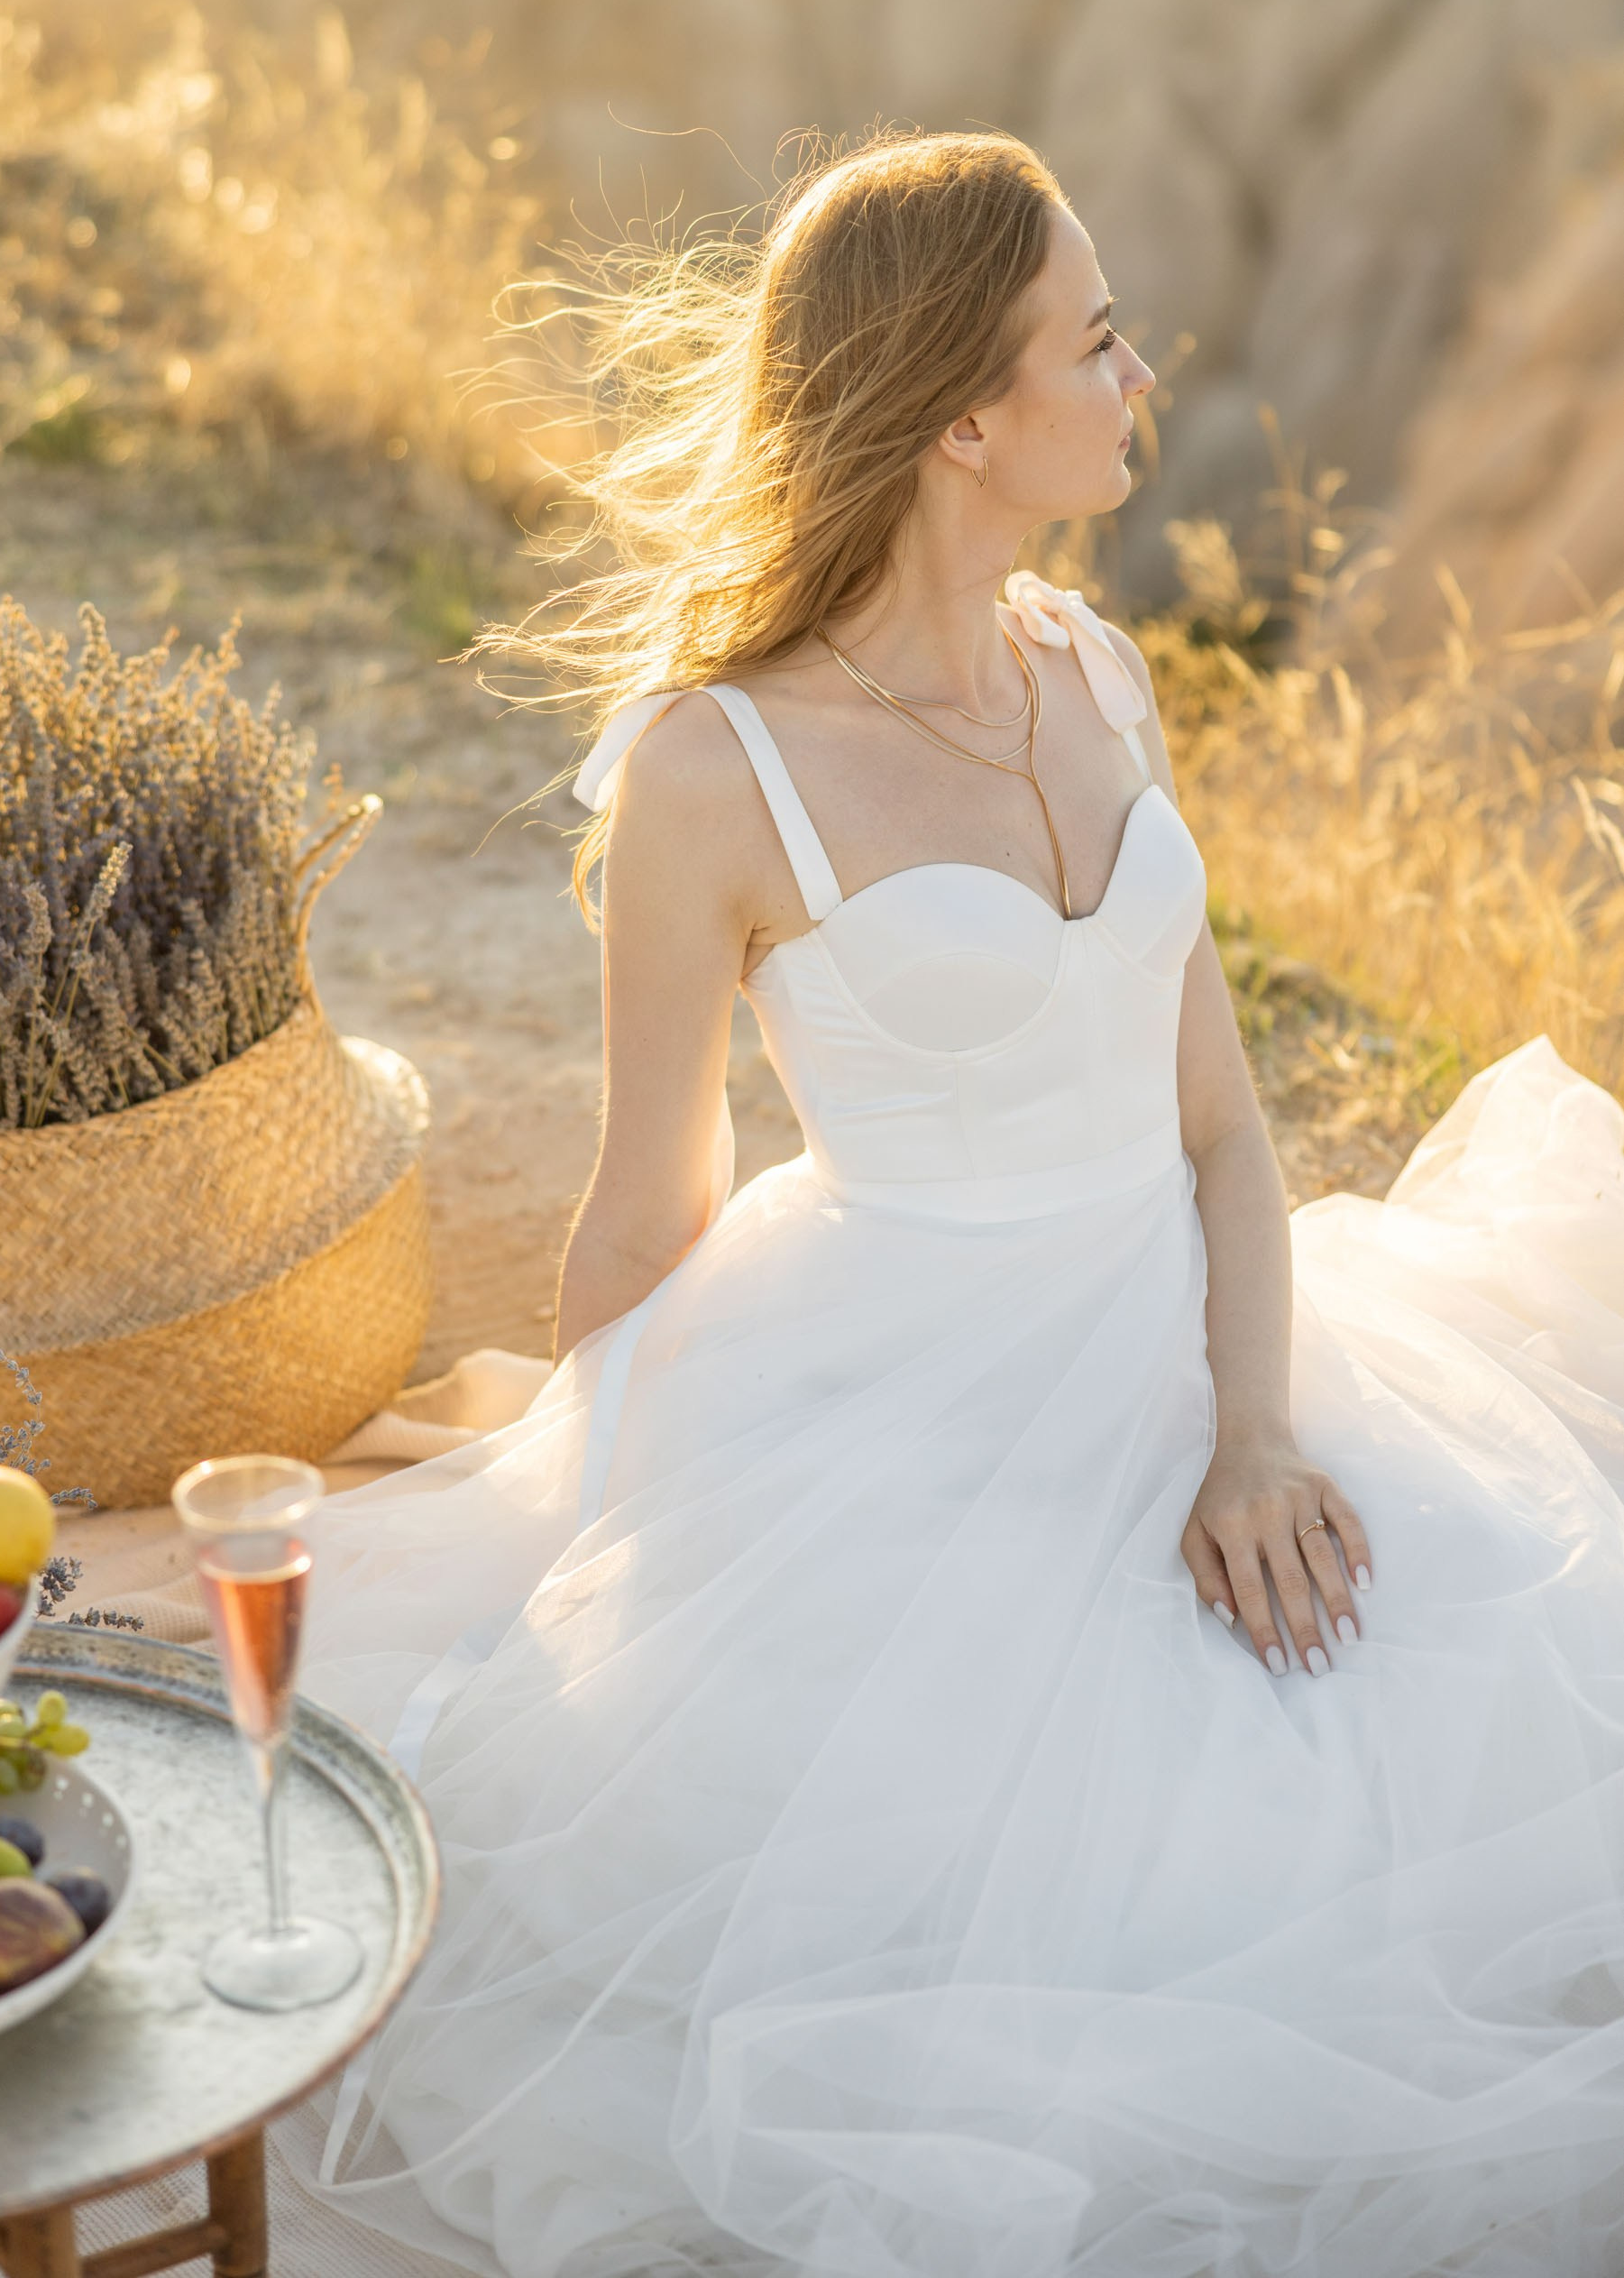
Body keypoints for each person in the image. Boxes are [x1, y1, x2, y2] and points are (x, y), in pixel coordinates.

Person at [289, 133, 1624, 2278]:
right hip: (887, 1382)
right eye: (1090, 343)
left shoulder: (1094, 674)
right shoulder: (712, 773)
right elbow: (646, 1206)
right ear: (956, 420)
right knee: (973, 1879)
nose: (1135, 377)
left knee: (1424, 1710)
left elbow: (1222, 1130)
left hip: (1207, 1326)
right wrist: (596, 1510)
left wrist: (1250, 1426)